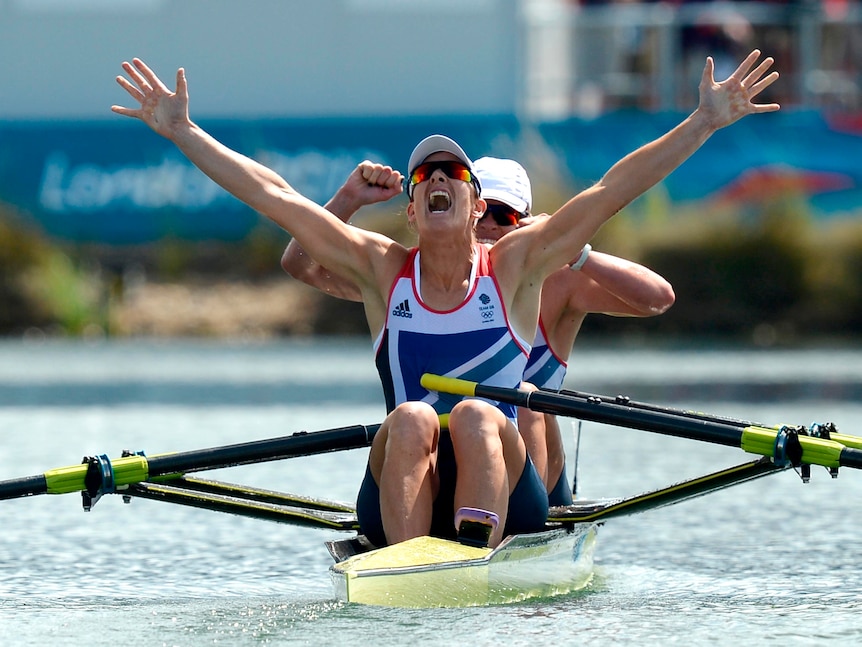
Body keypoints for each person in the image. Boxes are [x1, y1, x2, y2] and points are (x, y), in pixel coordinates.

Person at [112, 50, 779, 548]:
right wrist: (184, 133)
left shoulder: (517, 265)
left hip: (513, 495)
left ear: (472, 207)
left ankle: (468, 556)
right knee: (410, 420)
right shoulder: (380, 269)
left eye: (452, 172)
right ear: (410, 209)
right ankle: (411, 574)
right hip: (403, 481)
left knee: (477, 417)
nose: (437, 177)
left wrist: (703, 121)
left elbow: (610, 191)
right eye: (425, 173)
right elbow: (277, 199)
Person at [281, 157, 676, 507]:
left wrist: (578, 253)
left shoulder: (561, 284)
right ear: (469, 209)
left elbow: (657, 299)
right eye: (483, 214)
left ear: (525, 224)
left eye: (503, 217)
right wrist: (347, 202)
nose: (488, 226)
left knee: (524, 397)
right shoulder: (418, 283)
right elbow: (302, 265)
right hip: (438, 458)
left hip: (527, 477)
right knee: (416, 419)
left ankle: (519, 526)